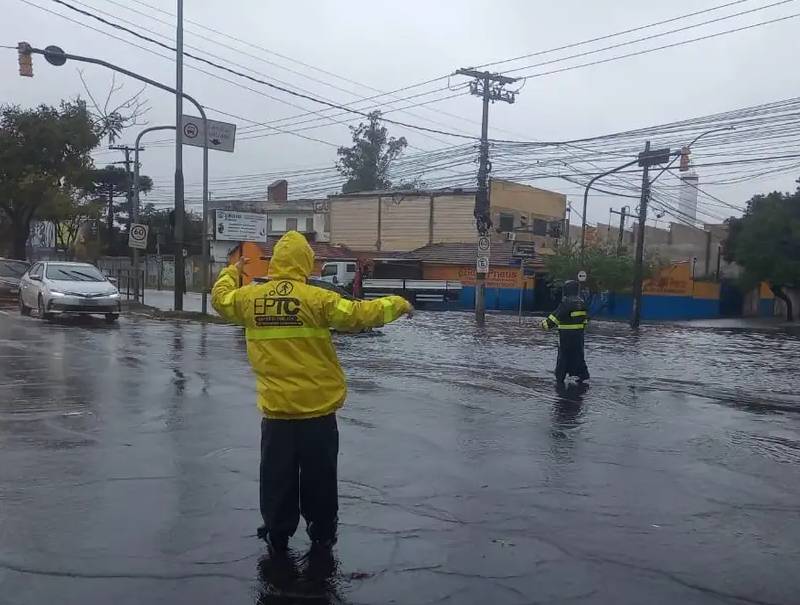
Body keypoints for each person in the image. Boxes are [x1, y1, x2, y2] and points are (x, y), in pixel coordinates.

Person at [211, 231, 413, 554]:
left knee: (276, 477)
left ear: (276, 262)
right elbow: (360, 315)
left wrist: (231, 271)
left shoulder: (251, 299)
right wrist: (397, 303)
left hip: (277, 414)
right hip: (318, 413)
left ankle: (277, 533)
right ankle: (322, 534)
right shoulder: (318, 299)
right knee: (320, 479)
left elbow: (220, 300)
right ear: (305, 262)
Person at [540, 280, 590, 384]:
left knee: (563, 357)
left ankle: (560, 378)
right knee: (578, 356)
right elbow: (586, 320)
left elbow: (555, 318)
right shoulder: (582, 302)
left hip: (566, 336)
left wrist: (543, 325)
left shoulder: (566, 302)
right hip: (579, 336)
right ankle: (583, 376)